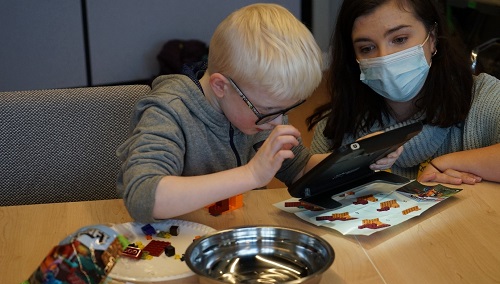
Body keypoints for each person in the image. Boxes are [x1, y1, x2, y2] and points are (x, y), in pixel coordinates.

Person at [116, 3, 399, 222]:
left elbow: (298, 169)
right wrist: (251, 175)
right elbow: (144, 197)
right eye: (267, 112)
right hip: (169, 243)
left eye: (285, 110)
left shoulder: (256, 112)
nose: (277, 122)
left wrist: (360, 158)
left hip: (228, 231)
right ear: (220, 86)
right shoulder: (169, 111)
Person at [307, 0, 500, 186]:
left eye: (399, 39)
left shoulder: (482, 96)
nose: (384, 58)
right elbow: (307, 197)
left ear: (432, 38)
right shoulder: (337, 126)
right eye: (367, 48)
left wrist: (446, 163)